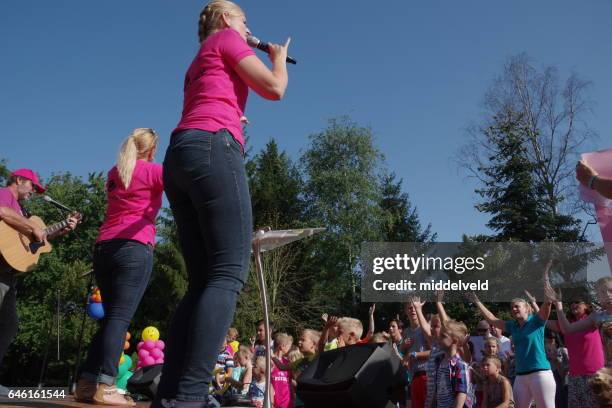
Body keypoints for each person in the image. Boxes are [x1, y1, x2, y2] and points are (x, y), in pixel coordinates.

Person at [153, 1, 290, 405]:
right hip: (213, 147)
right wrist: (278, 59)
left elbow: (213, 97)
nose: (249, 28)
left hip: (182, 153)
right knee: (228, 274)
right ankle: (191, 397)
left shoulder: (199, 57)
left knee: (200, 283)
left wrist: (234, 114)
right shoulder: (229, 37)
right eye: (246, 20)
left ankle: (172, 396)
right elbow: (275, 88)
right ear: (229, 19)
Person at [73, 128, 162, 406]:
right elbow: (187, 179)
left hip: (104, 247)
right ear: (152, 149)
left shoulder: (115, 172)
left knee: (111, 318)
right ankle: (107, 386)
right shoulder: (153, 172)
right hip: (133, 247)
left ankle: (87, 383)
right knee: (120, 319)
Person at [0, 168, 78, 396]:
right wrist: (33, 227)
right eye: (32, 186)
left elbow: (37, 239)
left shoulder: (24, 211)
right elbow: (2, 211)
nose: (34, 191)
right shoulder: (5, 193)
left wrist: (60, 229)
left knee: (9, 325)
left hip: (9, 276)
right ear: (19, 180)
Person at [469, 261, 557, 408]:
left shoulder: (536, 321)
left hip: (540, 374)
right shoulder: (512, 326)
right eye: (512, 307)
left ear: (527, 308)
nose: (514, 309)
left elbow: (548, 303)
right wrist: (477, 302)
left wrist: (546, 278)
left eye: (517, 306)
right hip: (521, 376)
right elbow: (491, 319)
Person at [429, 319, 473, 408]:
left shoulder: (459, 365)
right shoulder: (439, 362)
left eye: (443, 336)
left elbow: (462, 393)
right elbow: (437, 390)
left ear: (454, 341)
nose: (439, 338)